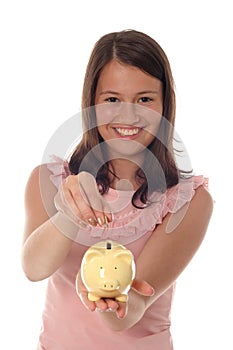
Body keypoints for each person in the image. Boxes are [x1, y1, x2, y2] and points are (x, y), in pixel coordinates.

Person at [22, 29, 213, 350]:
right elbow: (34, 269)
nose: (128, 115)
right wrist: (70, 212)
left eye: (145, 99)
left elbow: (128, 314)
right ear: (91, 103)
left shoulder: (187, 201)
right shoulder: (50, 179)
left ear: (165, 105)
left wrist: (106, 297)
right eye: (112, 99)